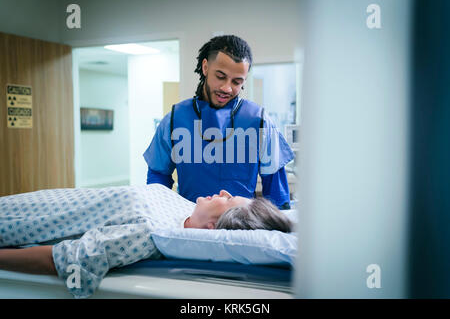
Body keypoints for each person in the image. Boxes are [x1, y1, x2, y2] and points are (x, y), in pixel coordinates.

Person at [0, 184, 292, 298]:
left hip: (13, 222)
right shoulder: (181, 208)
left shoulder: (153, 235)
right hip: (27, 201)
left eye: (228, 200)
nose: (224, 191)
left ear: (213, 227)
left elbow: (64, 260)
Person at [144, 35, 294, 210]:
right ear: (205, 67)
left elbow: (277, 193)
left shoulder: (259, 122)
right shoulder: (174, 120)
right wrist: (161, 217)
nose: (226, 88)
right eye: (220, 76)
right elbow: (157, 178)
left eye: (237, 82)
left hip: (242, 228)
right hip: (190, 225)